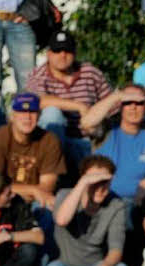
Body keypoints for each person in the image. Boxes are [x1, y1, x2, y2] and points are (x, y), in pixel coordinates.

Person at [26, 30, 113, 170]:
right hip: (57, 140)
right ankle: (52, 168)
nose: (62, 55)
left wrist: (96, 123)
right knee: (51, 113)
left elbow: (111, 105)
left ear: (75, 53)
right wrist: (79, 106)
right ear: (49, 54)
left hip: (90, 140)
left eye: (67, 50)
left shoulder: (90, 72)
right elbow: (38, 101)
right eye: (57, 51)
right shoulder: (38, 75)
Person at [82, 85, 145, 206]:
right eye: (128, 102)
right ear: (120, 106)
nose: (133, 107)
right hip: (102, 198)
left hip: (136, 200)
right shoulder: (107, 127)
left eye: (139, 103)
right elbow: (86, 123)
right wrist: (116, 96)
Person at [0, 93, 66, 208]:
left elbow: (46, 188)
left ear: (39, 115)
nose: (27, 117)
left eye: (32, 112)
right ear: (12, 115)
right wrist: (33, 190)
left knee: (47, 207)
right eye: (21, 112)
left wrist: (29, 192)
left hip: (36, 201)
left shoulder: (50, 141)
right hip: (4, 201)